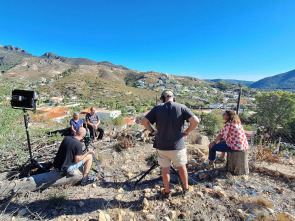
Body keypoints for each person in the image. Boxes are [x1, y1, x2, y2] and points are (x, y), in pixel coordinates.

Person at [142, 90, 199, 198]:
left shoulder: (157, 108)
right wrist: (187, 131)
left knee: (165, 169)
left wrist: (153, 132)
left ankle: (167, 192)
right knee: (182, 167)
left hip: (162, 145)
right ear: (174, 97)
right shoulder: (181, 107)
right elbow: (195, 121)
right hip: (177, 145)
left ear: (163, 98)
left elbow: (144, 121)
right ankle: (186, 189)